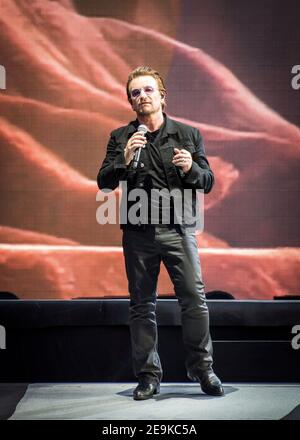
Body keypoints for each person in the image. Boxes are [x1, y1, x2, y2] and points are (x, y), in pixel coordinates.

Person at [97, 66, 224, 400]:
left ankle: (203, 369)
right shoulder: (120, 137)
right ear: (130, 102)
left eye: (148, 90)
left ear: (162, 96)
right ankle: (148, 377)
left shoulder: (188, 134)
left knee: (195, 301)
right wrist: (123, 160)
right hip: (139, 233)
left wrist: (190, 168)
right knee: (142, 305)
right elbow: (103, 181)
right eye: (135, 93)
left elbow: (208, 181)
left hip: (179, 230)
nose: (142, 96)